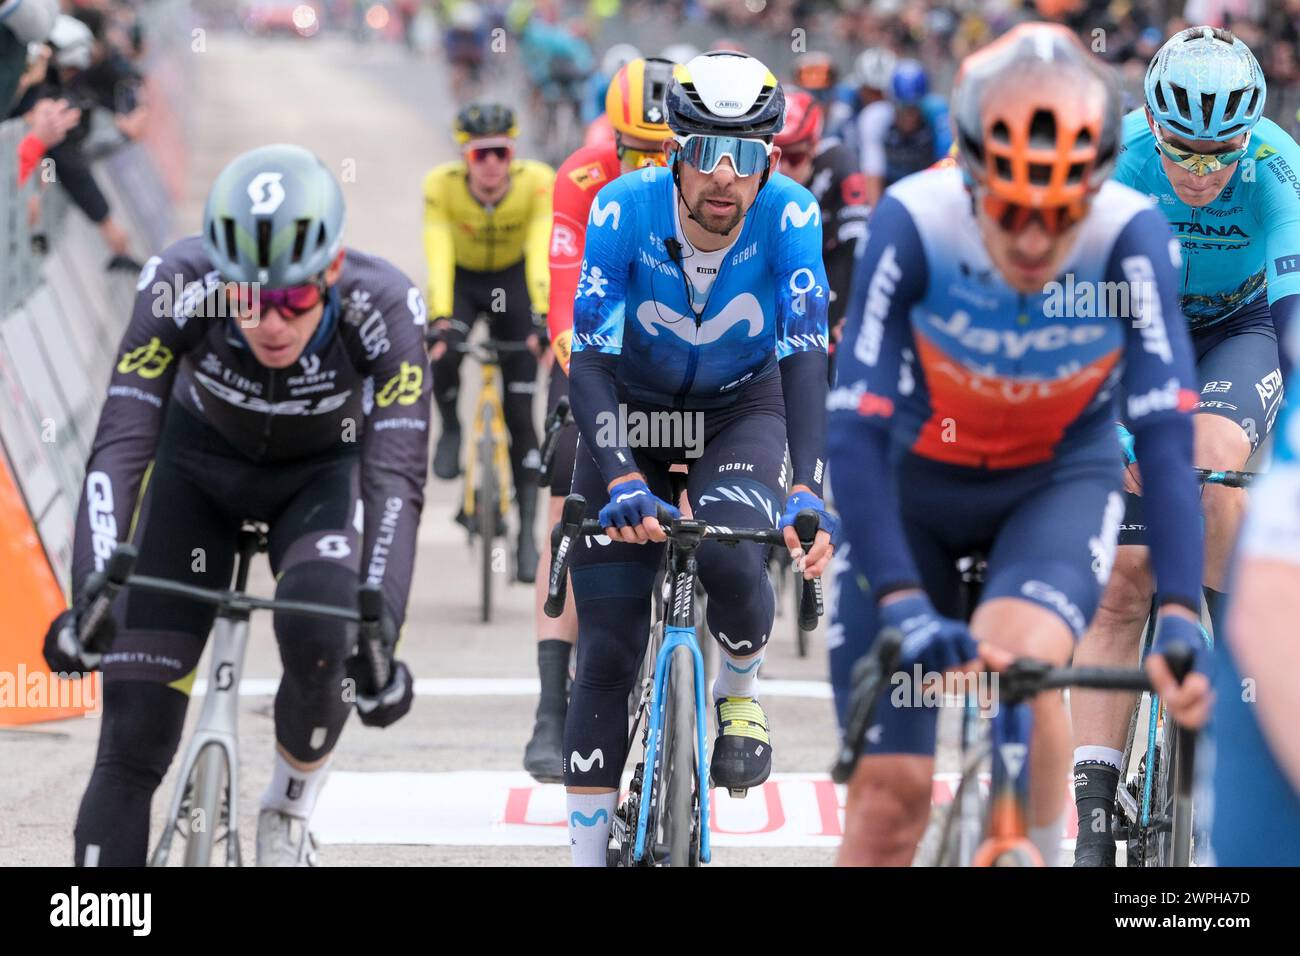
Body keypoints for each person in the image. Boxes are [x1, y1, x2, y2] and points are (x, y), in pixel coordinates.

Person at [827, 22, 1204, 868]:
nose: (1035, 243)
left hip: (1051, 487)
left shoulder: (1129, 233)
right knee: (890, 803)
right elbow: (853, 430)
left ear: (1097, 185)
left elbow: (1166, 440)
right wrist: (896, 598)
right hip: (910, 490)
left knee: (1028, 684)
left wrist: (1178, 607)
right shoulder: (914, 219)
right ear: (970, 178)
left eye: (1058, 216)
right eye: (1013, 214)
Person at [41, 144, 430, 866]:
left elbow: (396, 482)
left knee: (326, 631)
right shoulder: (177, 283)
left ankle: (286, 808)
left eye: (292, 298)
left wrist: (383, 635)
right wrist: (91, 593)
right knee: (131, 743)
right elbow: (123, 443)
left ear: (332, 272)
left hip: (319, 481)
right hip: (197, 475)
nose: (270, 322)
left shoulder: (386, 305)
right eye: (249, 298)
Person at [561, 51, 836, 865]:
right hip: (632, 414)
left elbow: (806, 357)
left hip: (738, 411)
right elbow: (589, 363)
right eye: (705, 152)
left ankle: (738, 690)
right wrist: (614, 475)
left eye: (745, 156)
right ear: (673, 152)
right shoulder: (620, 210)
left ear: (770, 163)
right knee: (607, 647)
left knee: (731, 556)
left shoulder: (792, 218)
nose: (724, 176)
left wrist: (808, 486)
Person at [1070, 25, 1300, 866]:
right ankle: (1094, 805)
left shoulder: (1279, 169)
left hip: (1241, 326)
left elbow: (1293, 320)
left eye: (1218, 156)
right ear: (1153, 129)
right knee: (1123, 578)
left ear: (1247, 139)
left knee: (1213, 469)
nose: (1200, 174)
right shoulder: (1115, 161)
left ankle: (1245, 694)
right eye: (1182, 153)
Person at [523, 56, 676, 782]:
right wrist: (577, 363)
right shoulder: (582, 177)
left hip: (683, 368)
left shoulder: (709, 187)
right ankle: (552, 706)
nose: (649, 164)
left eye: (664, 151)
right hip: (599, 349)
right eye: (635, 150)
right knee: (567, 491)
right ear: (611, 139)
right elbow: (563, 290)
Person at [422, 103, 554, 582]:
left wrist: (541, 314)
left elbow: (541, 246)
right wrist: (439, 316)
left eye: (501, 152)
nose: (492, 164)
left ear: (513, 154)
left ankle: (525, 538)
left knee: (522, 416)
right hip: (463, 282)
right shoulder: (441, 187)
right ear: (465, 157)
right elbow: (437, 252)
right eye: (481, 155)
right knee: (445, 350)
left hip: (515, 283)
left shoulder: (538, 181)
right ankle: (453, 428)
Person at [774, 88, 868, 364]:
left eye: (794, 158)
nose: (782, 170)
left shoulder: (840, 161)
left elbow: (856, 243)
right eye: (776, 156)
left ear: (814, 147)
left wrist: (847, 311)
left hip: (828, 262)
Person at [858, 58, 951, 205]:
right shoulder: (875, 118)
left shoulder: (937, 114)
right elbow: (873, 174)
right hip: (891, 191)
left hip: (927, 191)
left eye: (914, 108)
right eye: (903, 108)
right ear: (891, 101)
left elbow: (947, 167)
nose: (909, 116)